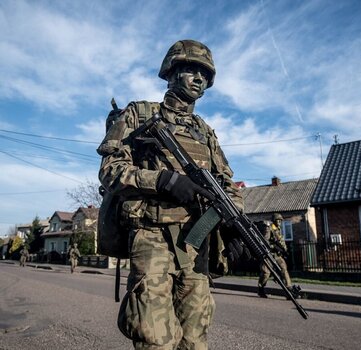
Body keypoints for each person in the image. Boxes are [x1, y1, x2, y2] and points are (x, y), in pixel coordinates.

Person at [97, 39, 245, 349]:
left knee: (195, 338)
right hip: (152, 237)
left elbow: (228, 184)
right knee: (156, 338)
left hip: (197, 243)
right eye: (191, 70)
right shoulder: (139, 114)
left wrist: (234, 224)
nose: (199, 79)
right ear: (171, 72)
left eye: (205, 75)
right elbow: (111, 170)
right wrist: (163, 181)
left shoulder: (205, 132)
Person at [257, 213, 296, 298]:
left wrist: (283, 250)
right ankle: (261, 289)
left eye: (280, 220)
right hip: (269, 255)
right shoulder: (269, 229)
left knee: (283, 269)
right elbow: (265, 241)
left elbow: (280, 241)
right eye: (278, 220)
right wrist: (273, 247)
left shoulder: (278, 229)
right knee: (266, 273)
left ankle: (289, 290)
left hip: (277, 255)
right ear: (274, 221)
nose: (279, 222)